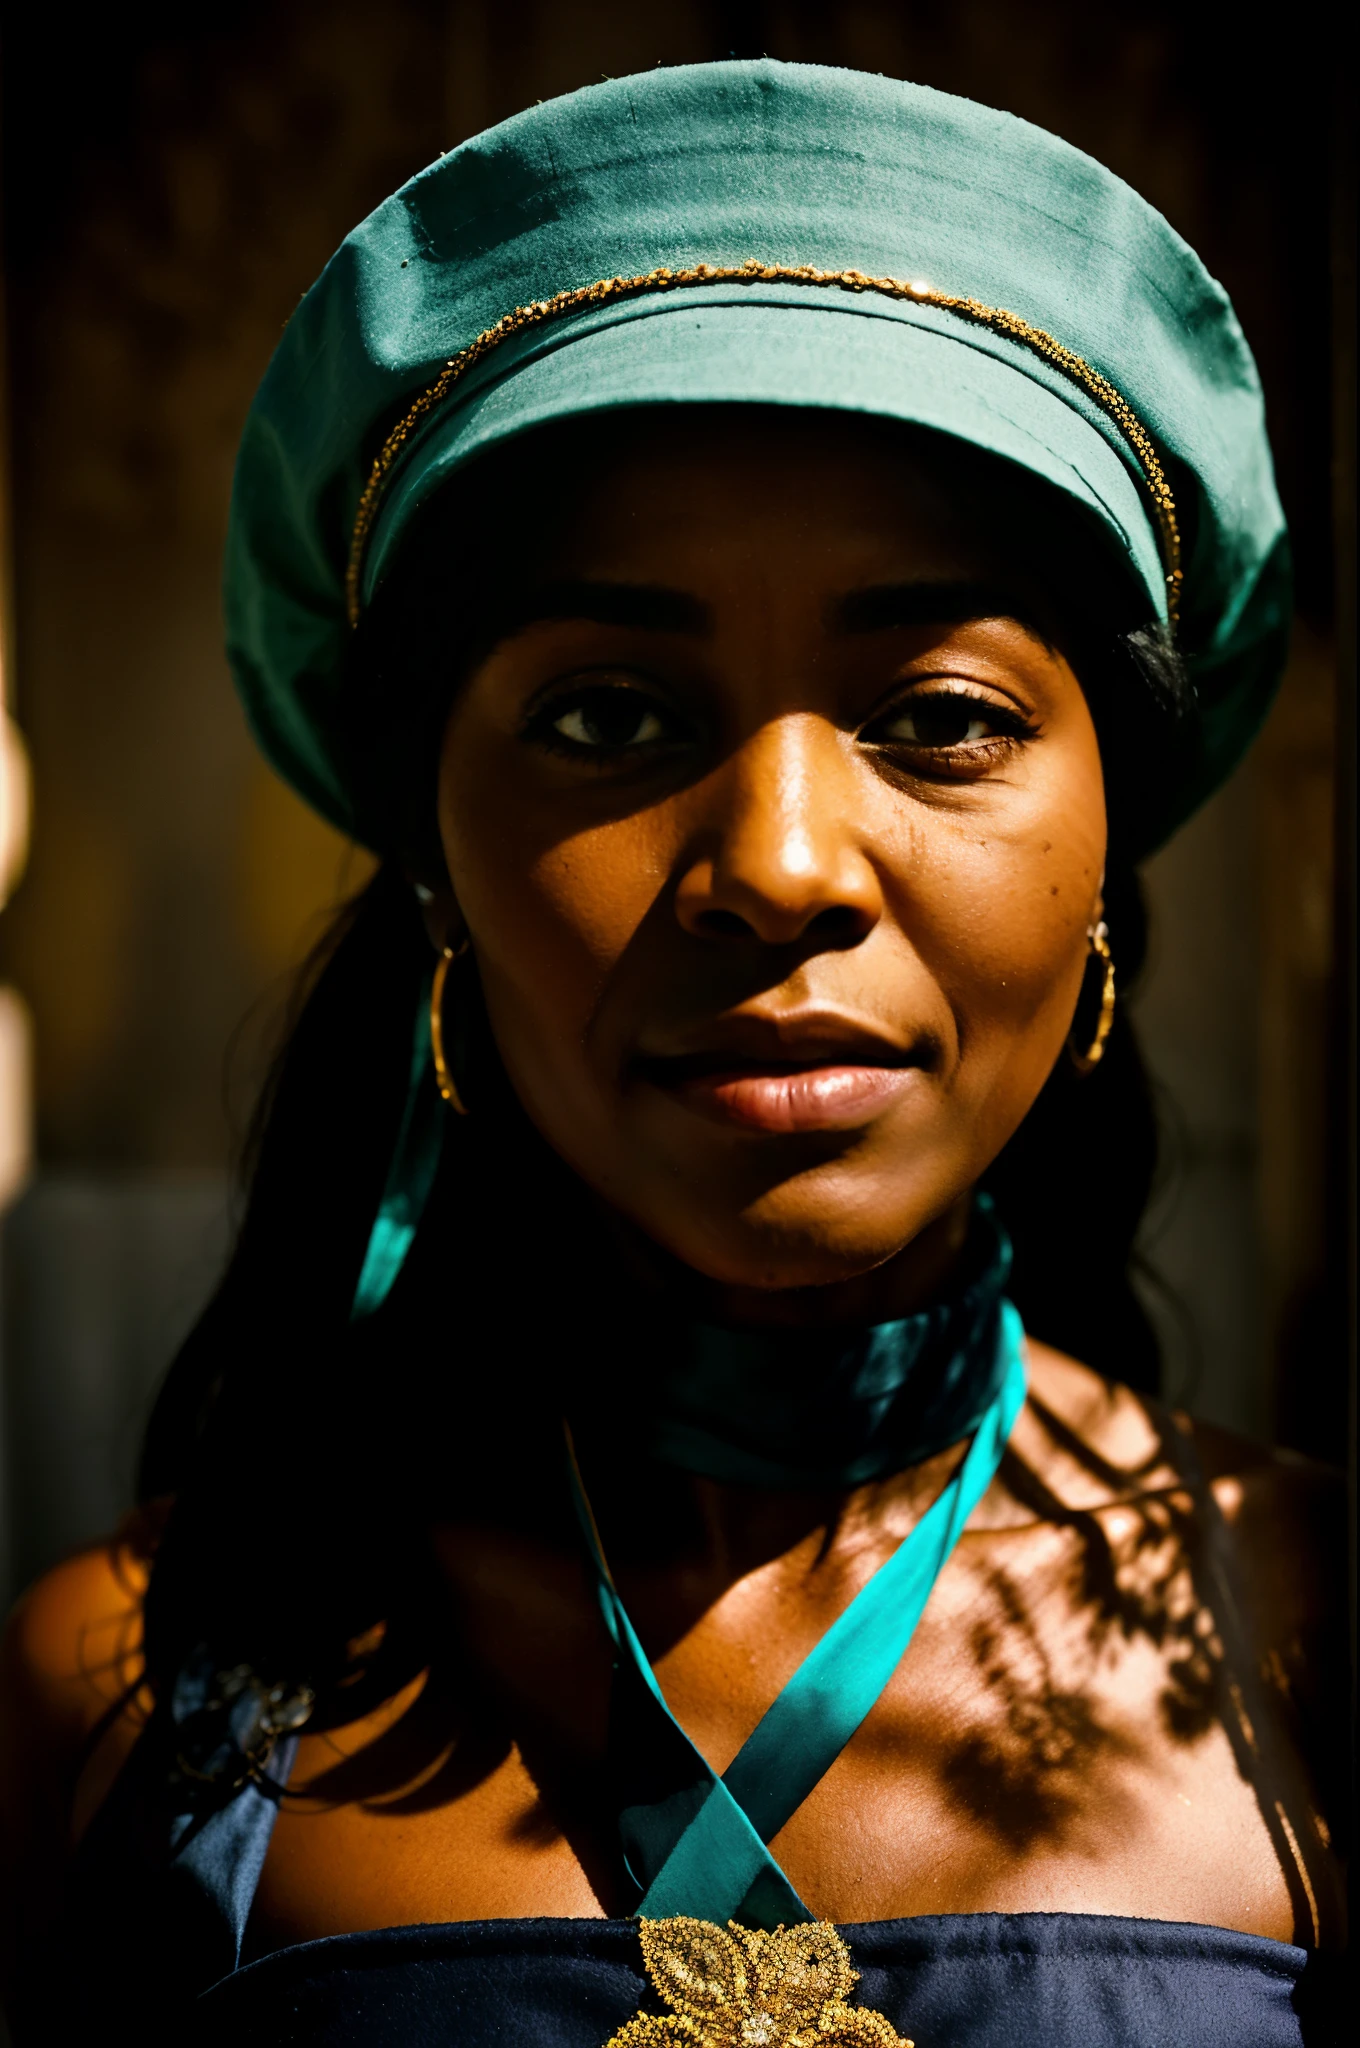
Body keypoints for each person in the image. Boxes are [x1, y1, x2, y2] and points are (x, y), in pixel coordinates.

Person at [0, 58, 1344, 2047]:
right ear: (434, 864)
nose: (778, 866)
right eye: (611, 717)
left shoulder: (1314, 1627)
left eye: (943, 714)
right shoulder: (112, 1695)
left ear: (1100, 868)